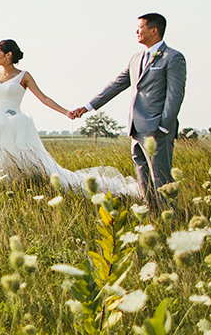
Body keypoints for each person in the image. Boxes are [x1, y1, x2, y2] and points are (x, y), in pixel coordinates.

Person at [0, 39, 144, 198]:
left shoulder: (23, 76)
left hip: (15, 124)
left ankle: (26, 188)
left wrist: (66, 112)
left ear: (9, 55)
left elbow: (44, 98)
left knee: (24, 162)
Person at [69, 13, 187, 208]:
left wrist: (164, 126)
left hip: (157, 130)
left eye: (140, 27)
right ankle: (152, 216)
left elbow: (175, 94)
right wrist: (88, 107)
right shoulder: (136, 59)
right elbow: (116, 85)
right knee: (144, 182)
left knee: (162, 180)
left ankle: (171, 218)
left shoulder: (173, 57)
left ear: (154, 30)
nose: (136, 31)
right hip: (136, 129)